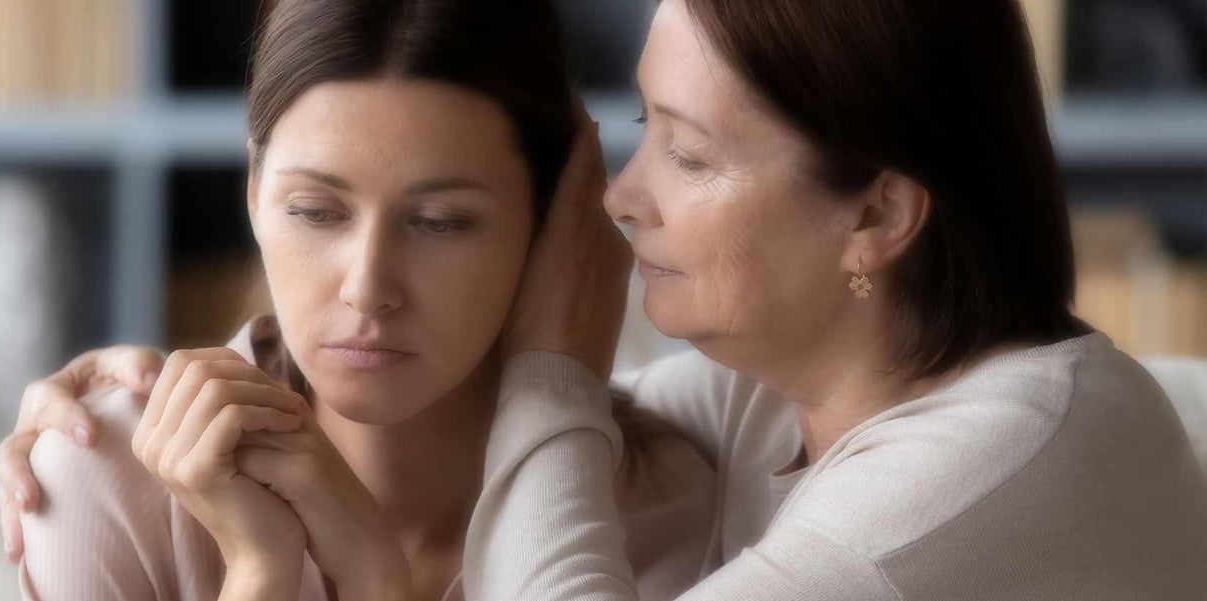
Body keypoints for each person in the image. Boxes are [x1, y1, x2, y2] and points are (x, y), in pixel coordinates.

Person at [462, 0, 1207, 599]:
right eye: (641, 123)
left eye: (688, 155)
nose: (621, 197)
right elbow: (486, 453)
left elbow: (546, 434)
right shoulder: (786, 391)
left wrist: (551, 364)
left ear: (877, 216)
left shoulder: (967, 485)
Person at [0, 1, 712, 600]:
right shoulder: (101, 480)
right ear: (255, 193)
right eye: (315, 211)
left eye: (440, 222)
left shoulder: (669, 516)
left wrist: (374, 582)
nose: (367, 288)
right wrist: (260, 570)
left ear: (554, 221)